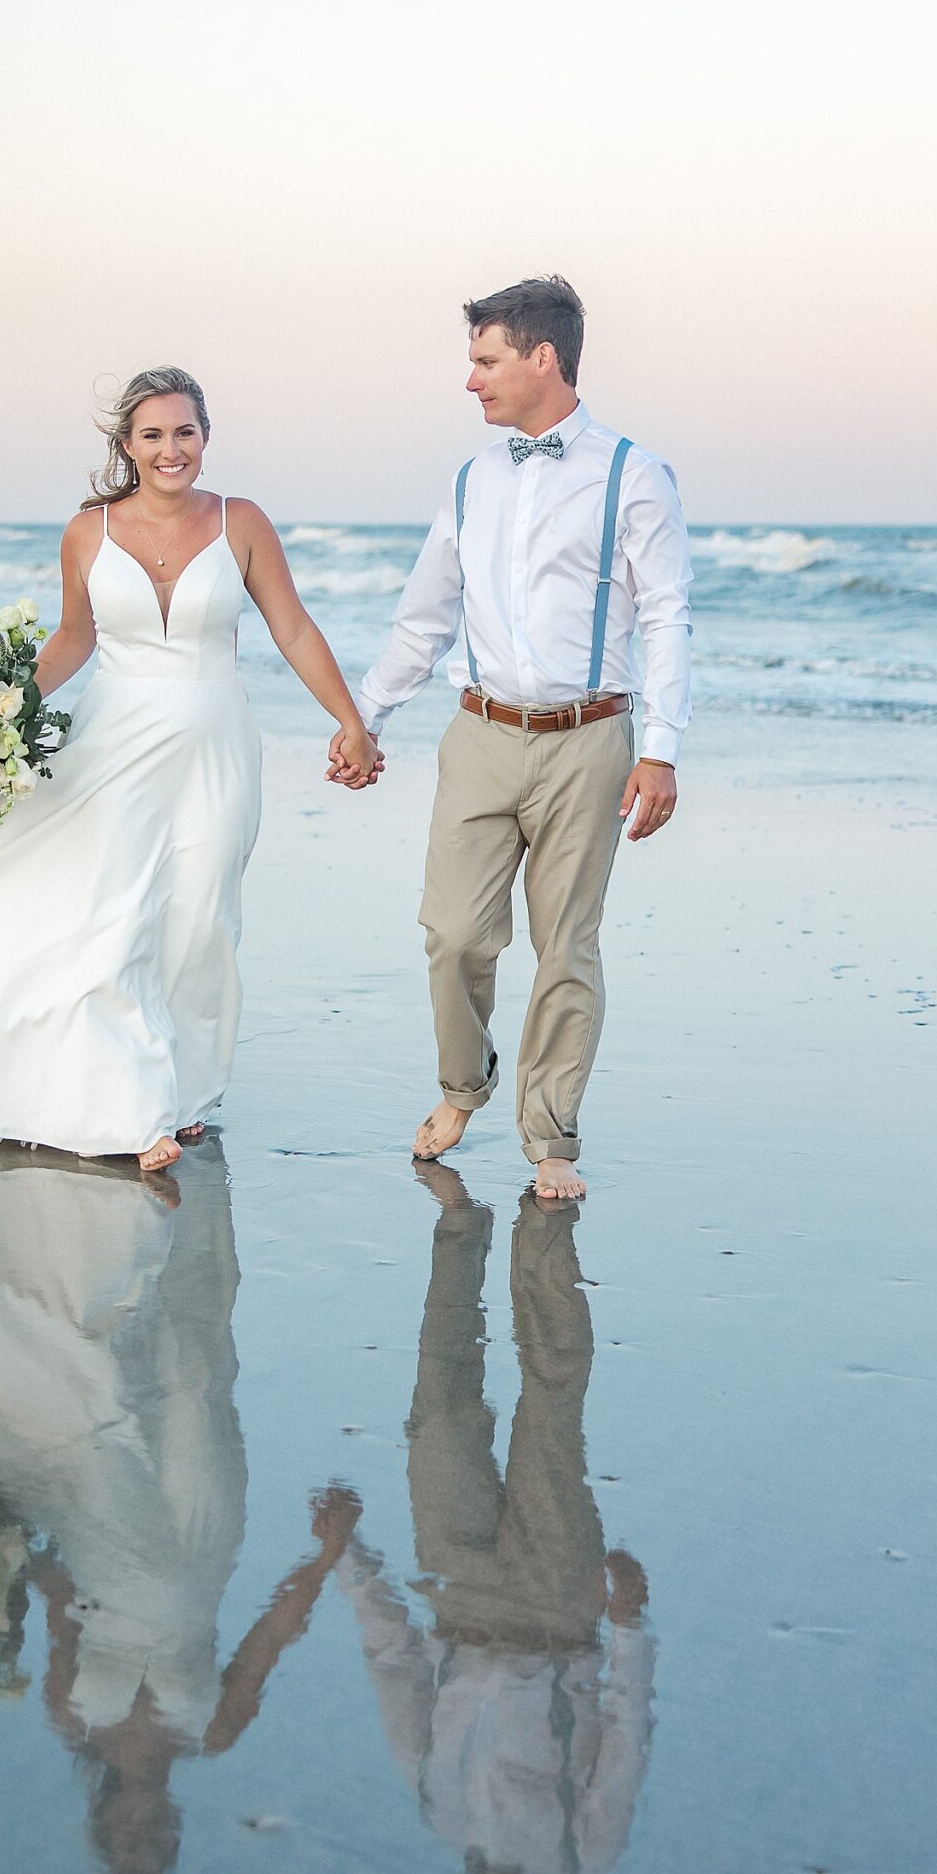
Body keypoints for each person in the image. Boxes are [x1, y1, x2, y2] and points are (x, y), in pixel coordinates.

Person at [0, 369, 380, 1169]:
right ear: (126, 446)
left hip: (216, 740)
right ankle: (131, 1109)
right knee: (118, 915)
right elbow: (72, 640)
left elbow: (293, 628)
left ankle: (185, 1097)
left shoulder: (240, 522)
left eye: (184, 432)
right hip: (114, 739)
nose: (170, 449)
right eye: (152, 435)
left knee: (202, 919)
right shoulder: (89, 531)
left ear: (206, 437)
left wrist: (350, 721)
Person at [0, 1131, 362, 1874]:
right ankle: (177, 1218)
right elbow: (269, 1639)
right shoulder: (214, 1732)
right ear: (173, 1827)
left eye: (129, 1839)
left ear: (102, 1820)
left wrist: (7, 1528)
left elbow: (59, 1606)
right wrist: (325, 1554)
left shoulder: (73, 1722)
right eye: (155, 1840)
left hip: (107, 1552)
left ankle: (113, 1234)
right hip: (203, 1553)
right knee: (197, 1384)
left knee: (108, 1415)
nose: (145, 1828)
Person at [335, 275, 693, 1199]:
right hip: (481, 734)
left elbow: (666, 618)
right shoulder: (470, 480)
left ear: (544, 357)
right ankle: (465, 1085)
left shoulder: (633, 475)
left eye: (485, 361)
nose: (471, 382)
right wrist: (364, 717)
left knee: (566, 946)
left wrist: (662, 748)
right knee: (453, 935)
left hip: (590, 740)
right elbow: (424, 617)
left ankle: (551, 1138)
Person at [332, 1164, 654, 1874]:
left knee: (436, 1410)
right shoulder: (582, 1856)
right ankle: (546, 1235)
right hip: (556, 1609)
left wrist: (348, 1558)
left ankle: (460, 1222)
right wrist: (631, 1627)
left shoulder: (434, 1810)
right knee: (548, 1411)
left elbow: (395, 1669)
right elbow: (625, 1739)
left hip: (458, 1595)